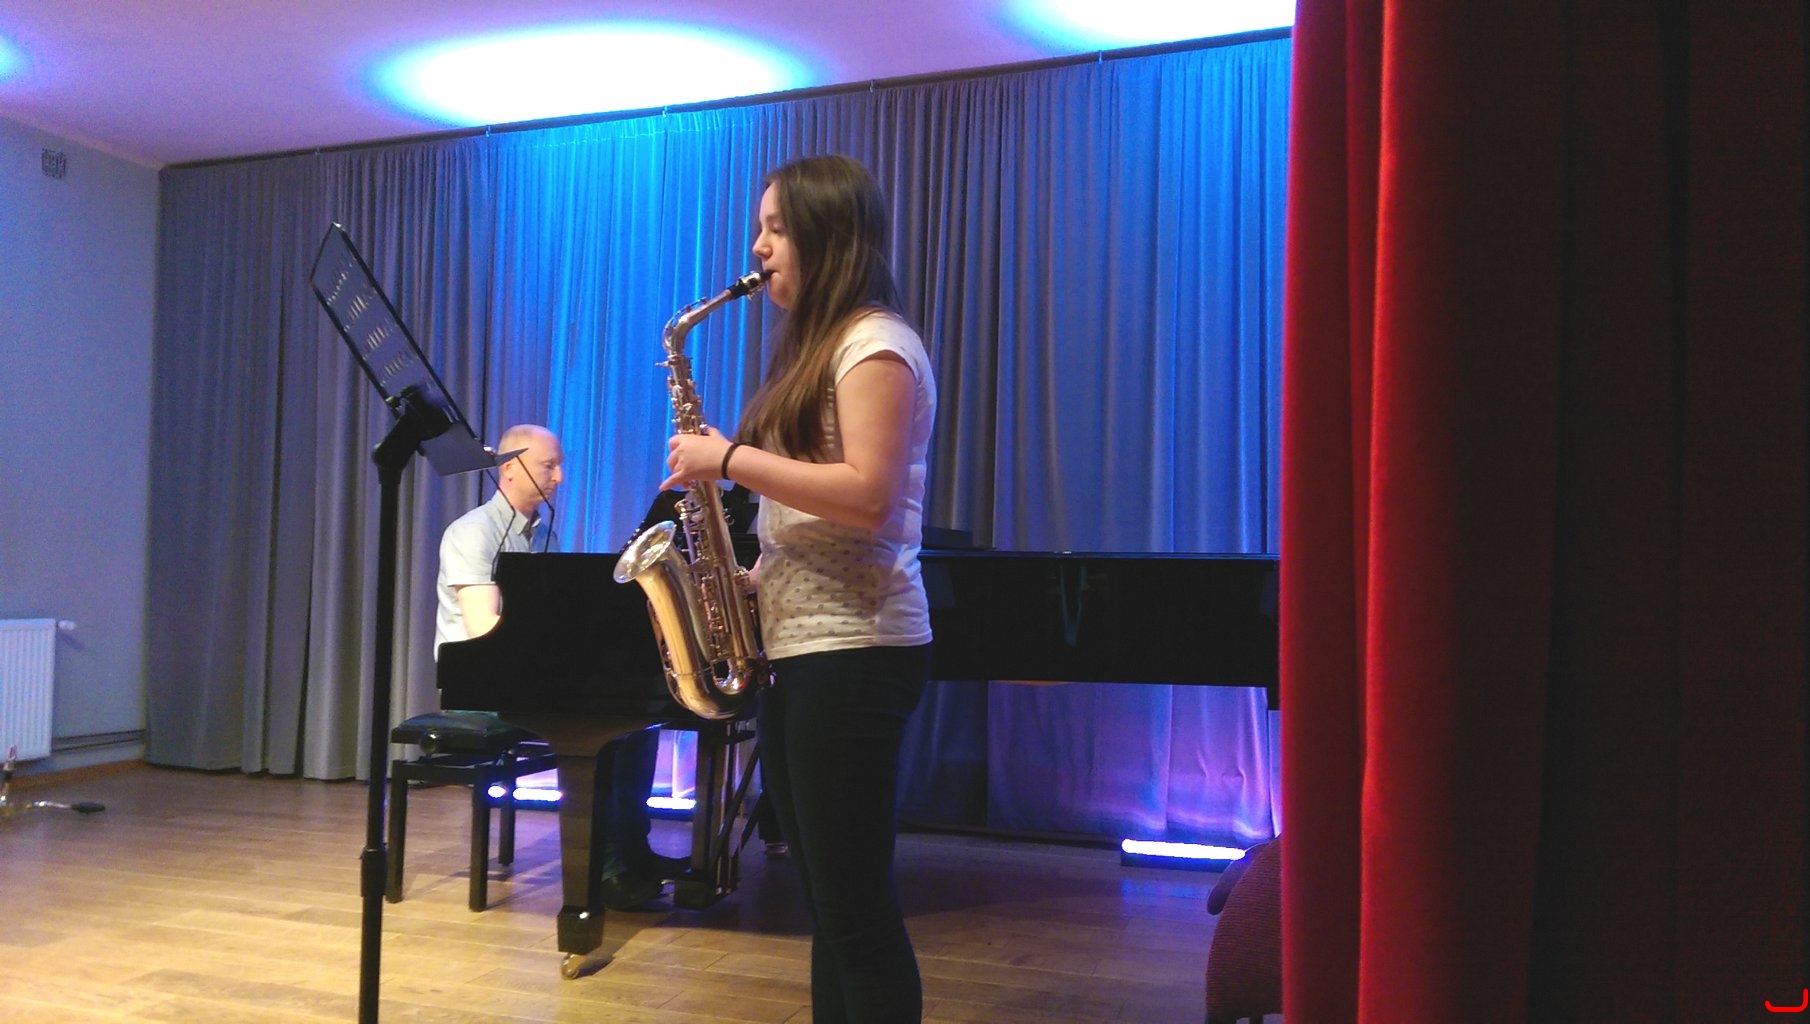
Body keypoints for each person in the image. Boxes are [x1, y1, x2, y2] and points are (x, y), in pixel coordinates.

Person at [661, 155, 936, 1023]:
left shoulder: (874, 344)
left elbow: (869, 496)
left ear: (828, 235)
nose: (759, 246)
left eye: (776, 228)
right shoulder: (824, 347)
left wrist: (728, 459)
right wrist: (753, 574)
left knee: (854, 912)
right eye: (760, 227)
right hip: (808, 648)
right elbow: (822, 509)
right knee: (828, 906)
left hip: (855, 650)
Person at [435, 423, 682, 910]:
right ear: (510, 469)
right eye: (549, 466)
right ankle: (605, 873)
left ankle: (633, 851)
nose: (560, 477)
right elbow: (485, 631)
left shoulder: (541, 533)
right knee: (603, 724)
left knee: (638, 721)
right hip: (478, 684)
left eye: (559, 466)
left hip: (517, 674)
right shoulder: (472, 532)